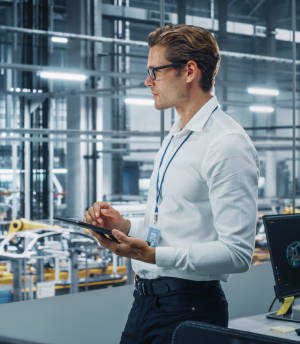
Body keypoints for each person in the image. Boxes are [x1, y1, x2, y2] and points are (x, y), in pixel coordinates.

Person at [83, 24, 259, 344]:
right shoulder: (175, 136)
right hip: (147, 303)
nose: (148, 81)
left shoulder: (227, 143)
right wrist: (122, 224)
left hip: (190, 307)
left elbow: (238, 253)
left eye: (155, 71)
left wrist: (154, 256)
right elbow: (168, 225)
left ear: (189, 71)